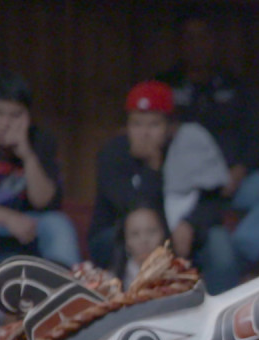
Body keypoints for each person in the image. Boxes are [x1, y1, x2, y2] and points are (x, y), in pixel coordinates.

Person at [157, 11, 259, 271]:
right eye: (190, 38)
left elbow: (256, 137)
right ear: (180, 44)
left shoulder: (234, 85)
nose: (197, 45)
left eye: (203, 37)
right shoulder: (165, 86)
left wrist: (240, 170)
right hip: (186, 190)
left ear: (213, 42)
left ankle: (241, 252)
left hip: (231, 181)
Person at [88, 80, 241, 293]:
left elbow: (211, 200)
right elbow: (133, 209)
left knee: (219, 245)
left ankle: (222, 309)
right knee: (140, 235)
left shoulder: (185, 147)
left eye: (154, 125)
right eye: (137, 124)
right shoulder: (113, 153)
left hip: (180, 230)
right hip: (120, 234)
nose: (144, 133)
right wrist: (153, 166)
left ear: (170, 127)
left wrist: (190, 224)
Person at [0, 71, 79, 268]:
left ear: (27, 116)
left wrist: (27, 155)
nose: (5, 123)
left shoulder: (41, 140)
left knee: (58, 224)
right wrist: (6, 218)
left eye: (15, 115)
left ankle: (64, 283)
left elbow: (44, 203)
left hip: (25, 230)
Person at [111, 205, 167, 289]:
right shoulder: (112, 282)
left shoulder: (181, 275)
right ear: (125, 241)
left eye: (151, 231)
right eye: (135, 234)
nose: (144, 240)